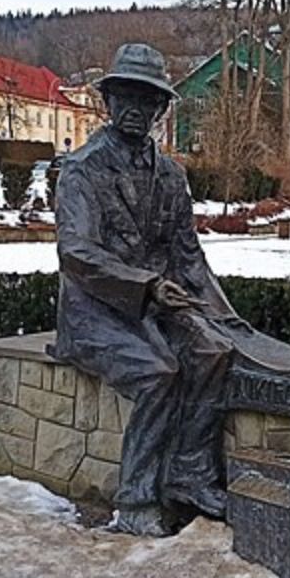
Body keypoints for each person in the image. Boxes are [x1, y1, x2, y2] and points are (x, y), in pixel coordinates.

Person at [51, 43, 240, 537]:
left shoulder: (173, 177)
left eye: (148, 100)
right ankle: (135, 500)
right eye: (126, 97)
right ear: (109, 102)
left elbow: (187, 254)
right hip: (95, 310)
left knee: (215, 351)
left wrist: (222, 312)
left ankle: (191, 473)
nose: (136, 109)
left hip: (153, 303)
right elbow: (77, 253)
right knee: (158, 373)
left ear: (160, 109)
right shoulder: (82, 169)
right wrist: (148, 286)